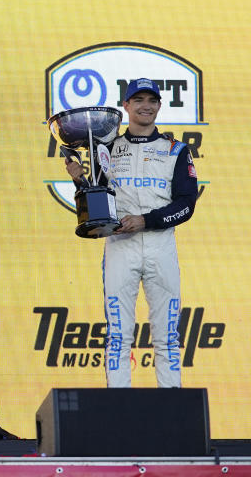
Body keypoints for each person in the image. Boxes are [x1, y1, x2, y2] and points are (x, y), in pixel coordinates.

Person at [64, 78, 197, 387]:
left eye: (152, 100)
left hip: (160, 245)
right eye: (138, 100)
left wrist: (146, 220)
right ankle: (117, 410)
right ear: (125, 106)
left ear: (160, 106)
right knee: (118, 335)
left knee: (167, 334)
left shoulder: (175, 150)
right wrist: (80, 181)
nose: (145, 106)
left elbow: (187, 205)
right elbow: (97, 202)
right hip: (119, 247)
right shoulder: (107, 148)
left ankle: (173, 406)